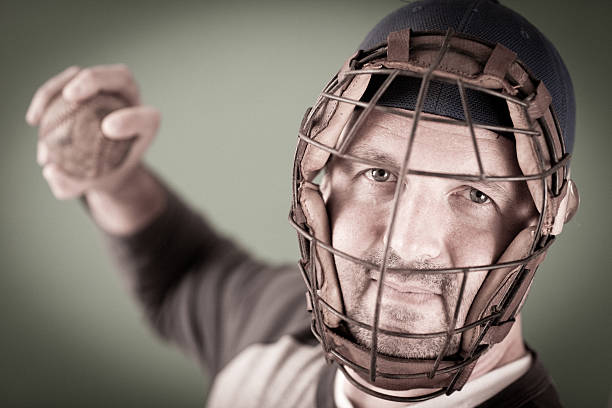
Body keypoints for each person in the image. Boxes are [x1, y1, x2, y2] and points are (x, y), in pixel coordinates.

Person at [25, 0, 579, 406]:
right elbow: (183, 276)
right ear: (323, 181)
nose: (407, 243)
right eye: (379, 173)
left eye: (475, 194)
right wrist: (116, 181)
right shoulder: (279, 333)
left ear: (545, 219)